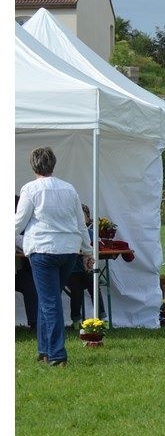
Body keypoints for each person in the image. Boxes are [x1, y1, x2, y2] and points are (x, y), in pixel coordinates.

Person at [15, 147, 94, 367]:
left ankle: (58, 354)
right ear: (54, 164)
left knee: (49, 302)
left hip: (43, 251)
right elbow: (81, 224)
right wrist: (87, 252)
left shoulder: (30, 189)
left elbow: (18, 223)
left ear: (33, 165)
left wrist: (19, 241)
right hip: (68, 251)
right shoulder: (69, 189)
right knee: (47, 300)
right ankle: (44, 349)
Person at [65, 204, 105, 327]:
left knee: (94, 287)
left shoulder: (92, 233)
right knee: (76, 292)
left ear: (88, 218)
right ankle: (76, 320)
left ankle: (101, 318)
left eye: (83, 216)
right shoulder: (68, 233)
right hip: (72, 271)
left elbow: (99, 247)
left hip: (88, 269)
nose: (81, 220)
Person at [15, 195, 37, 330]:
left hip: (17, 272)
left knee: (32, 288)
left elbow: (23, 243)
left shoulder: (20, 227)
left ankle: (35, 324)